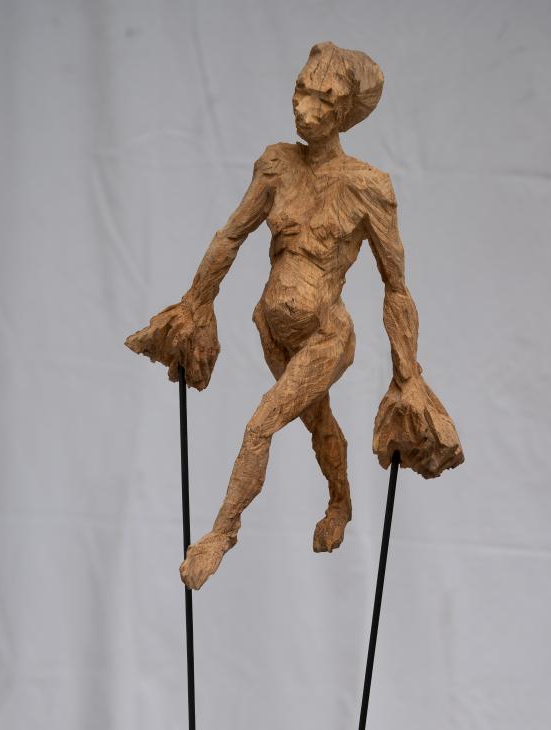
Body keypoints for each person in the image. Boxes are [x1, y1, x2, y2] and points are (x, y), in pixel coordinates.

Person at [126, 42, 463, 589]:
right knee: (318, 422)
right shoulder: (277, 165)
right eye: (300, 93)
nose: (305, 110)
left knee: (260, 424)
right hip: (271, 328)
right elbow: (231, 237)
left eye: (323, 100)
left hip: (325, 337)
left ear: (343, 111)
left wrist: (407, 374)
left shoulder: (366, 186)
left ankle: (222, 533)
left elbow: (396, 287)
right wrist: (195, 302)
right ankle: (341, 502)